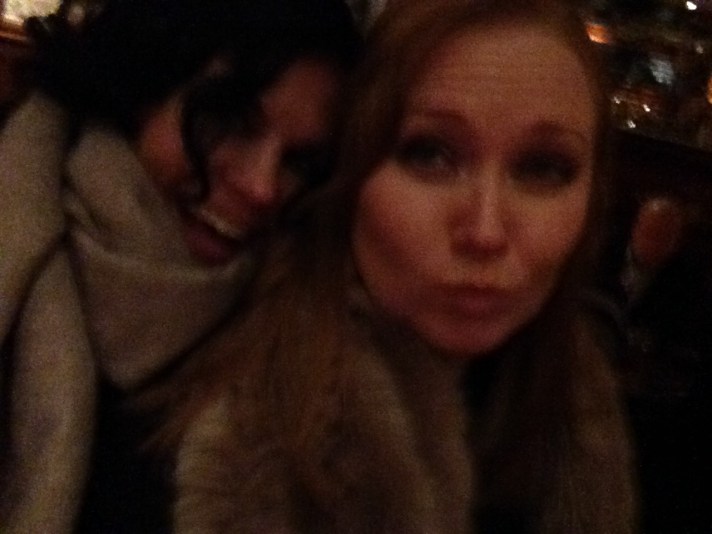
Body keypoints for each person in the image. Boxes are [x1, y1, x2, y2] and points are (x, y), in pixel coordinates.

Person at [148, 0, 638, 531]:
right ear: (349, 177)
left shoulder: (585, 407)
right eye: (429, 155)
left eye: (543, 168)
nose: (485, 232)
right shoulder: (224, 448)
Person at [0, 0, 361, 531]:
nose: (263, 189)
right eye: (231, 121)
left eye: (299, 161)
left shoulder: (295, 356)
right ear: (141, 81)